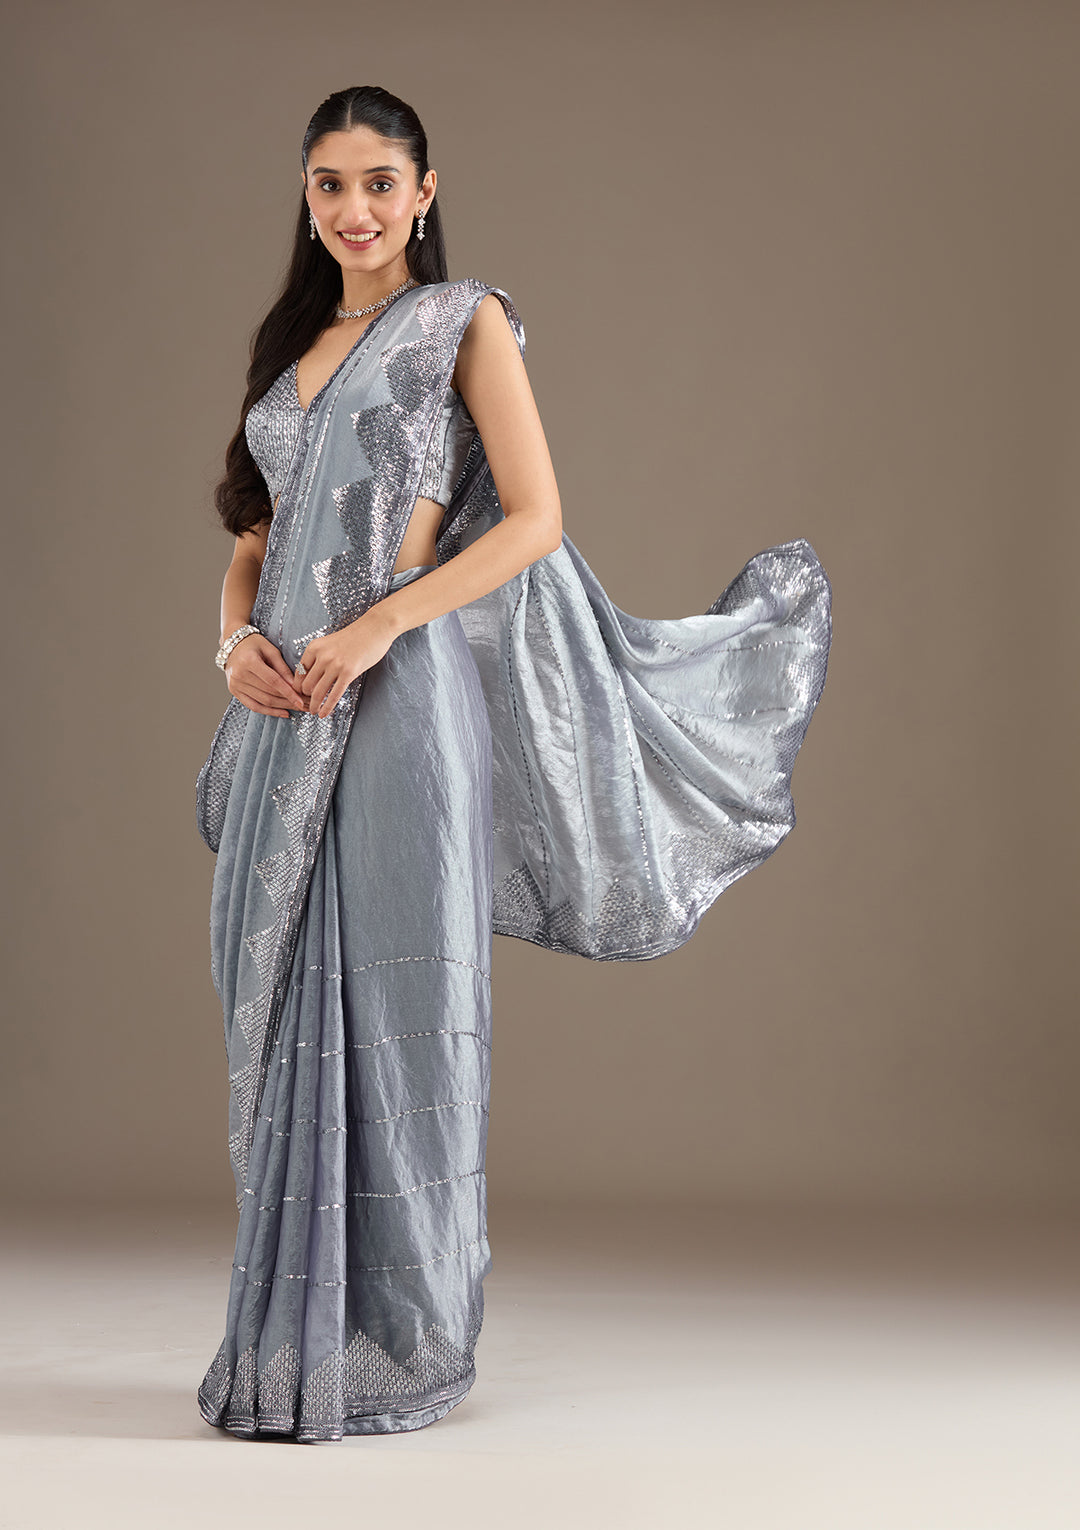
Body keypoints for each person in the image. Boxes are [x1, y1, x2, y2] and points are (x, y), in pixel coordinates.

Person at [195, 84, 833, 1444]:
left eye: (380, 183)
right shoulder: (291, 345)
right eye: (329, 184)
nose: (354, 210)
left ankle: (399, 1341)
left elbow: (535, 518)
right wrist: (232, 642)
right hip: (282, 713)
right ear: (305, 195)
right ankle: (286, 1333)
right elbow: (253, 535)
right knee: (272, 1008)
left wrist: (380, 625)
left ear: (424, 191)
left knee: (397, 1006)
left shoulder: (460, 321)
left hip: (396, 698)